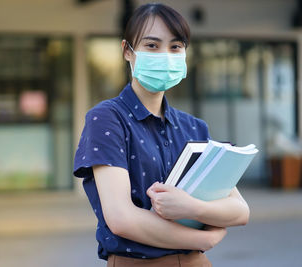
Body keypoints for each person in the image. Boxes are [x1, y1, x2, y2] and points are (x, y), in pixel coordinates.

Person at [73, 3, 250, 266]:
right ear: (127, 52)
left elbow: (239, 210)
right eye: (152, 46)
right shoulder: (107, 118)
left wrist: (192, 209)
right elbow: (122, 218)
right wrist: (202, 240)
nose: (165, 55)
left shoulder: (194, 127)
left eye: (175, 47)